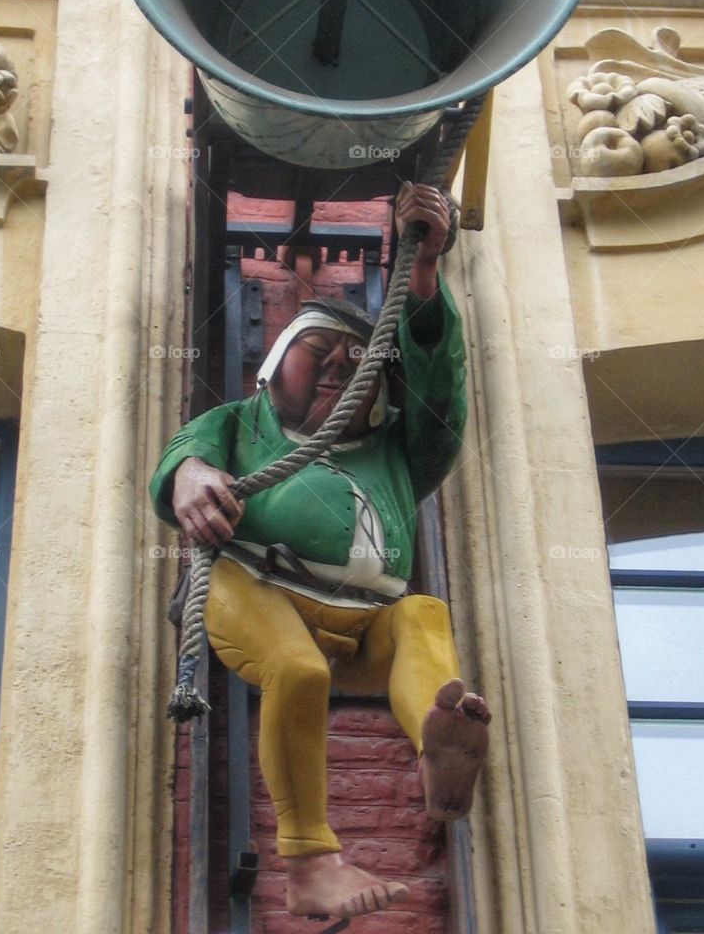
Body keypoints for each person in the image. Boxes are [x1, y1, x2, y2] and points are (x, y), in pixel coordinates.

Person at [150, 182, 490, 922]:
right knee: (296, 670)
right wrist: (194, 481)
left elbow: (440, 388)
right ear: (273, 365)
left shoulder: (399, 452)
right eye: (317, 351)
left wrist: (424, 273)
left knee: (423, 614)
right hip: (254, 585)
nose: (338, 365)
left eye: (355, 358)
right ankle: (310, 863)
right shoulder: (242, 421)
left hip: (363, 617)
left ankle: (441, 740)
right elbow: (187, 459)